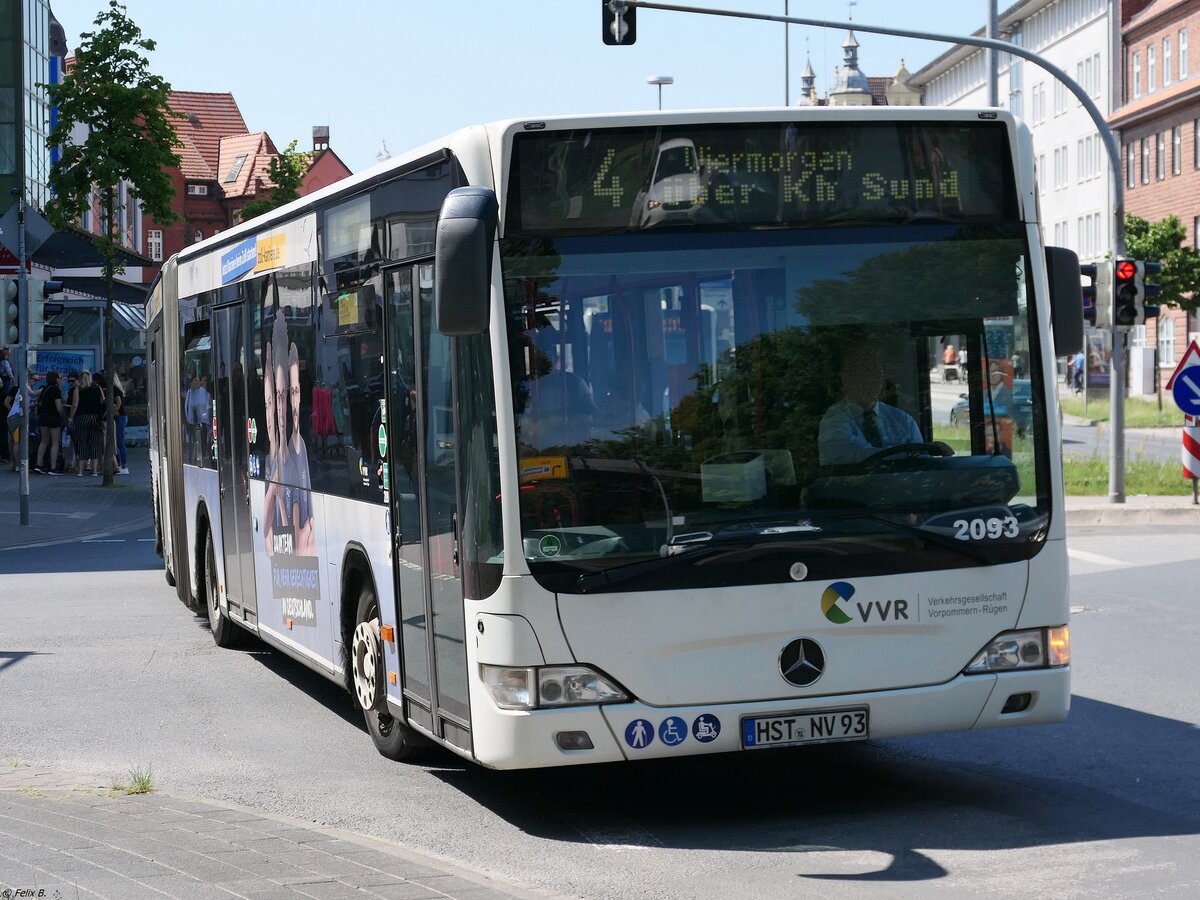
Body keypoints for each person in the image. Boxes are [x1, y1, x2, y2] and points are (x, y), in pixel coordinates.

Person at [819, 346, 953, 466]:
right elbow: (854, 456)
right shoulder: (834, 420)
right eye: (862, 373)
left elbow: (920, 465)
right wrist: (910, 453)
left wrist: (927, 451)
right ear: (846, 378)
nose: (870, 380)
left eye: (876, 373)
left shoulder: (904, 421)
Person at [69, 369, 105, 476]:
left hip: (81, 418)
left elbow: (75, 405)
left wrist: (70, 418)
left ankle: (80, 471)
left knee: (81, 442)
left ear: (79, 378)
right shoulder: (97, 388)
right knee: (94, 443)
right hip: (94, 418)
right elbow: (103, 401)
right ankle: (94, 470)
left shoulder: (78, 388)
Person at [34, 370, 65, 475]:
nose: (61, 380)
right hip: (53, 418)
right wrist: (63, 417)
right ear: (56, 379)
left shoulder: (44, 389)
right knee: (55, 442)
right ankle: (53, 468)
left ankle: (39, 465)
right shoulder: (55, 390)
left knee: (44, 441)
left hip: (43, 417)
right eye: (60, 378)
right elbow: (59, 407)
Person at [110, 372, 129, 474]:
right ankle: (121, 464)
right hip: (121, 416)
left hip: (120, 416)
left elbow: (118, 403)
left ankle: (123, 465)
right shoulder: (117, 389)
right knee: (118, 441)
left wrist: (112, 412)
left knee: (120, 441)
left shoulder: (114, 389)